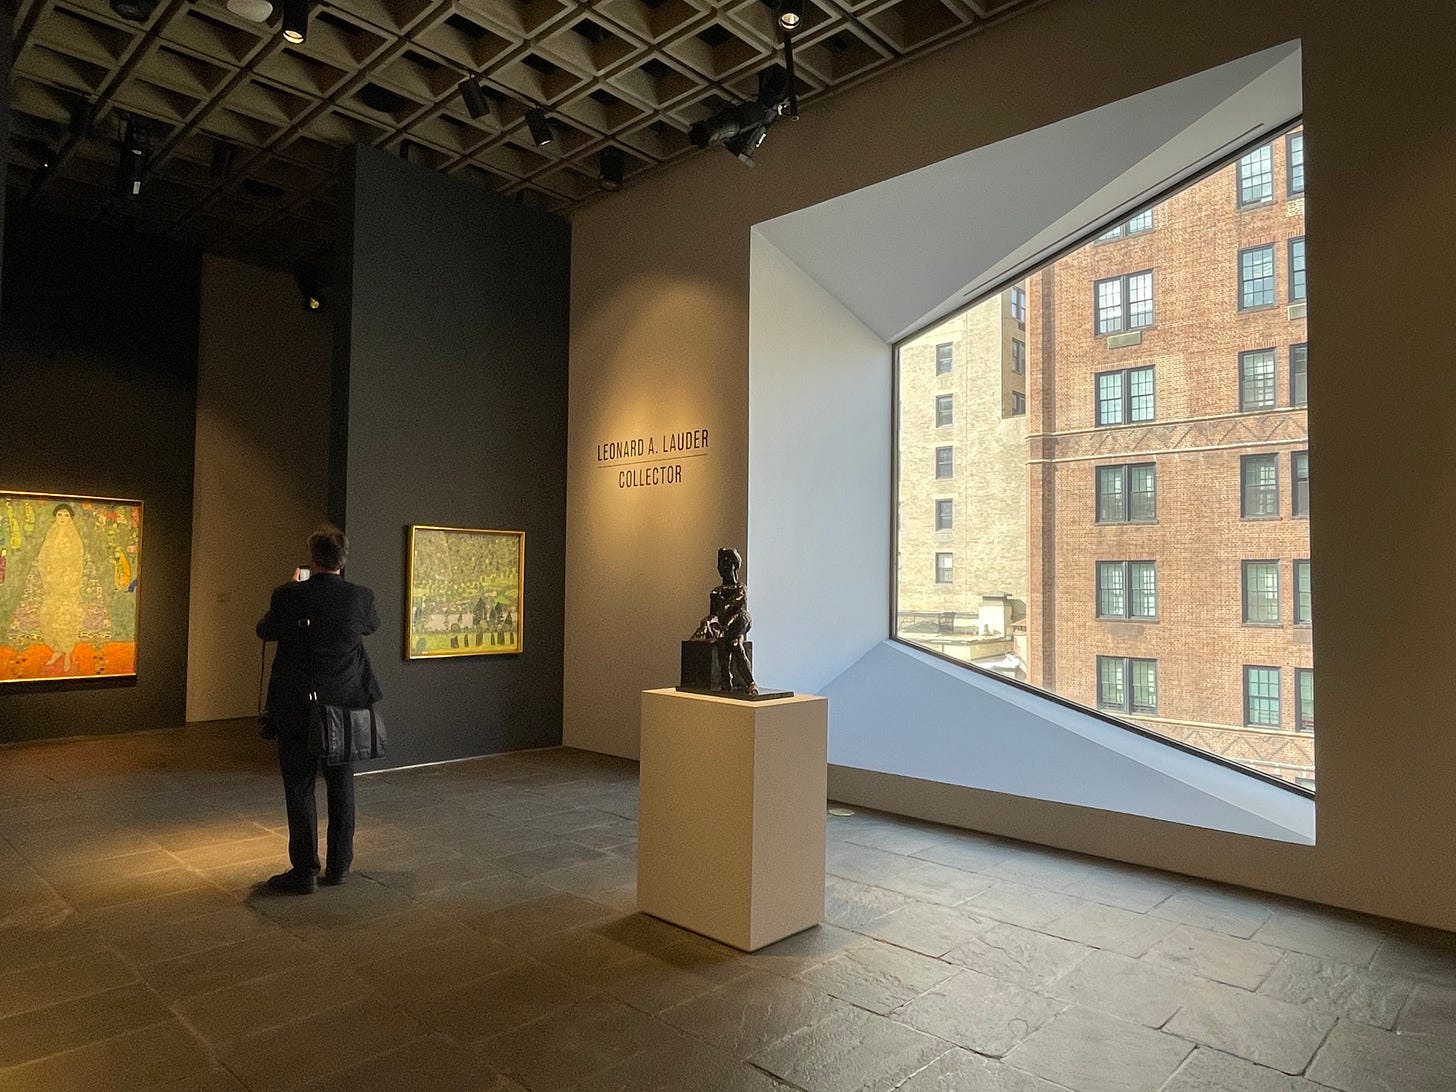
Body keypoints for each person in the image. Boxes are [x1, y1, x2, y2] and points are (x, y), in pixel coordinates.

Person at [257, 525, 381, 894]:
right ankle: (339, 866)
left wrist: (296, 586)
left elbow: (265, 630)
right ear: (343, 559)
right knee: (342, 785)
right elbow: (371, 626)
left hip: (296, 705)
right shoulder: (361, 597)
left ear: (313, 557)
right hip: (343, 709)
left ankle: (304, 869)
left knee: (299, 787)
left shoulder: (288, 595)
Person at [691, 546, 758, 695]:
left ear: (735, 565)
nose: (723, 566)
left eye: (727, 562)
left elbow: (732, 607)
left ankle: (742, 682)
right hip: (724, 626)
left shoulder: (740, 587)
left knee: (728, 636)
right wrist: (708, 624)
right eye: (721, 563)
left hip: (740, 619)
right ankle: (732, 682)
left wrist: (718, 618)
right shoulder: (716, 591)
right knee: (732, 643)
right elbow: (714, 614)